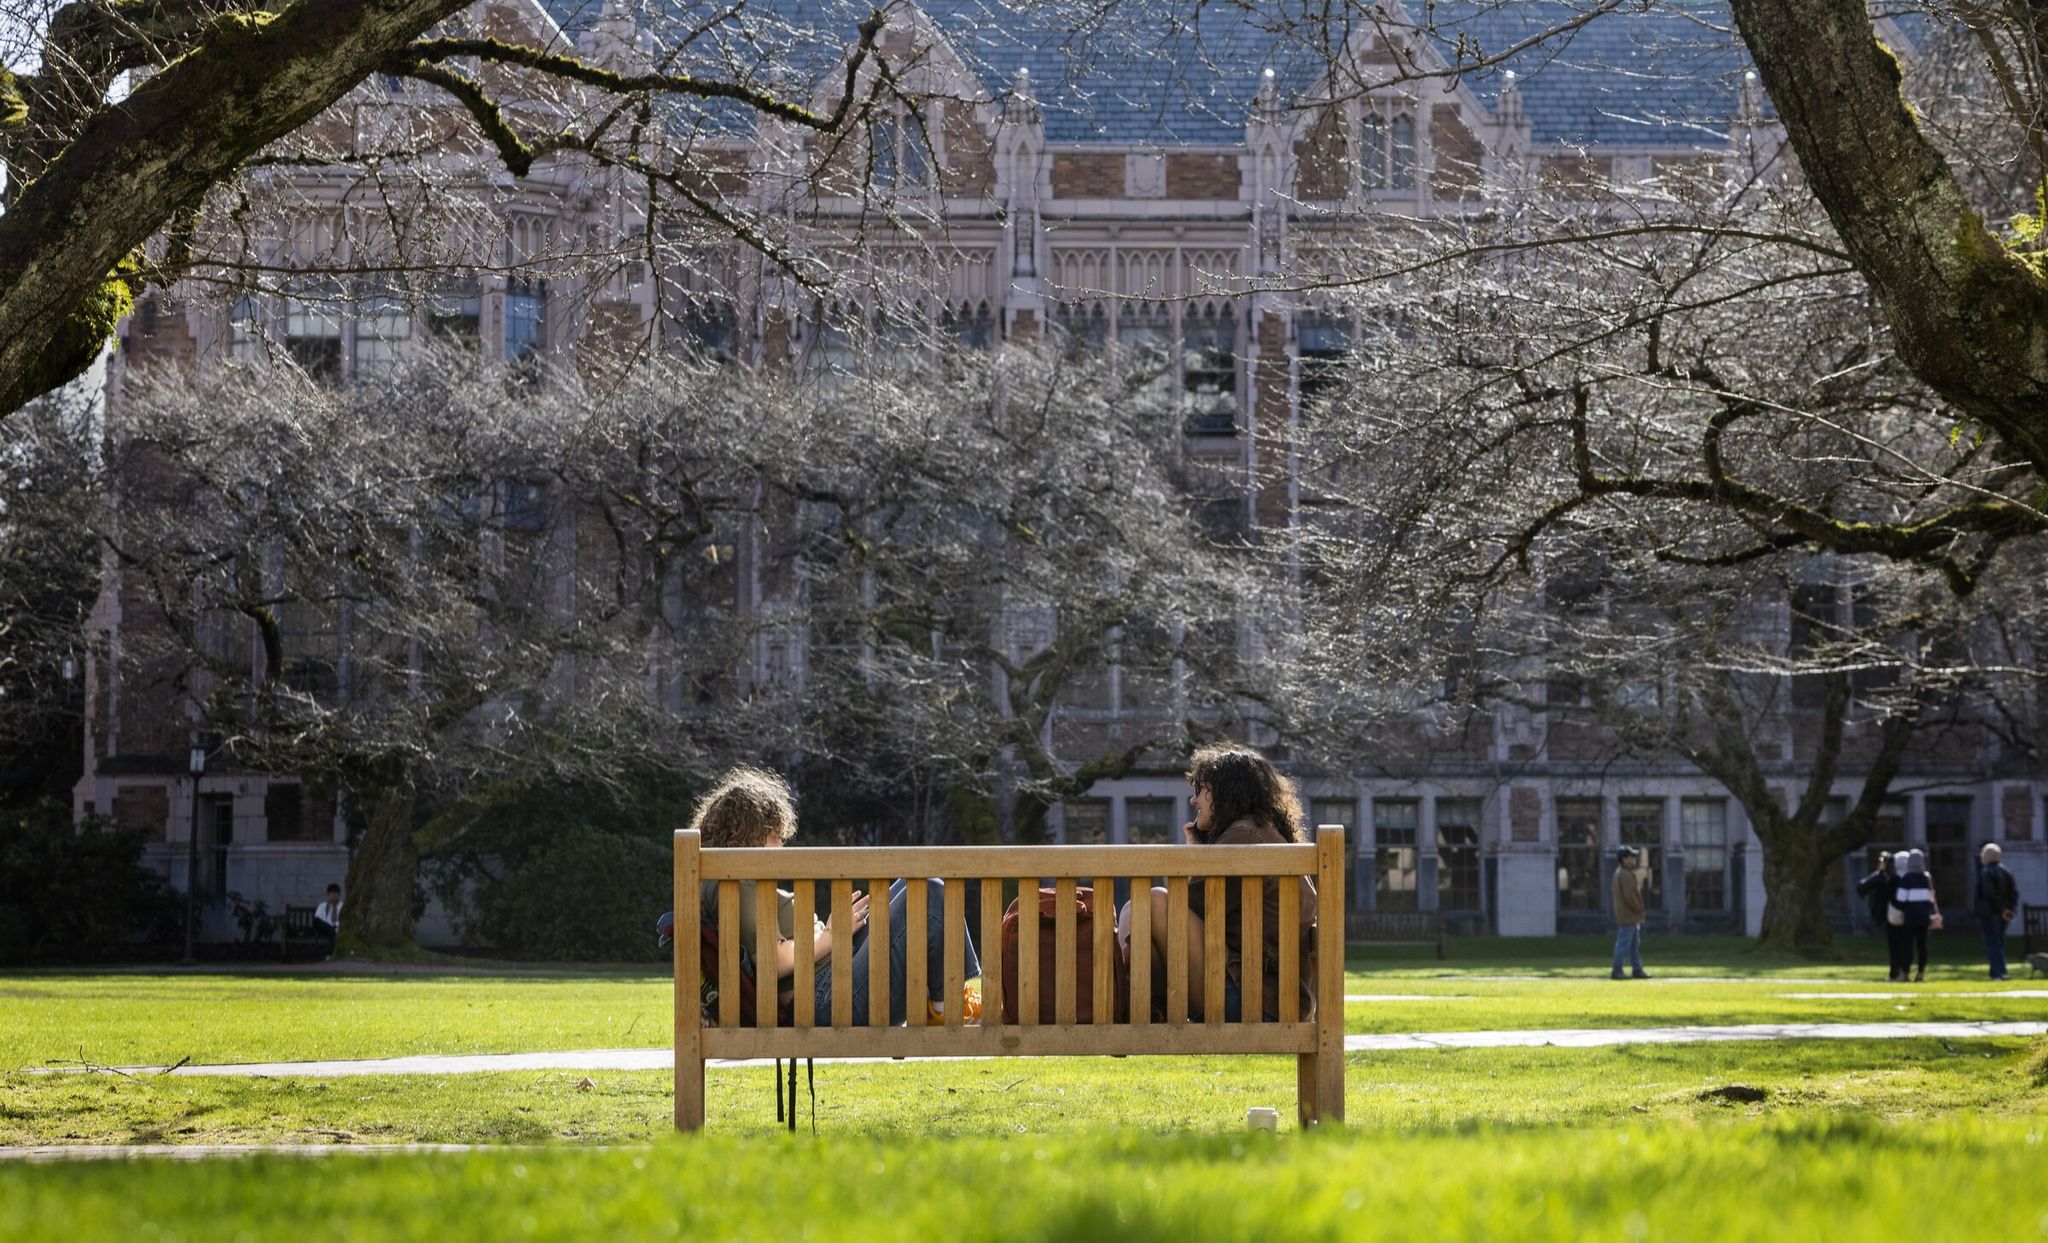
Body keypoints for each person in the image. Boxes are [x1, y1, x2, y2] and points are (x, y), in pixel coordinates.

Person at [689, 765, 978, 1025]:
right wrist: (831, 935)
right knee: (929, 892)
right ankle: (943, 1008)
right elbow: (771, 962)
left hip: (831, 978)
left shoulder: (729, 879)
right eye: (775, 836)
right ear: (749, 834)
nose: (780, 848)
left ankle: (943, 1000)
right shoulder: (739, 880)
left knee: (915, 886)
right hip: (823, 997)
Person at [1116, 743, 1318, 1022]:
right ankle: (1135, 1002)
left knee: (1151, 902)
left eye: (1200, 790)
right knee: (1140, 909)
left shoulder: (1243, 839)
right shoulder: (1263, 833)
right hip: (1274, 998)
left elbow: (1186, 910)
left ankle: (1125, 1000)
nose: (1194, 801)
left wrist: (1196, 858)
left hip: (1255, 1000)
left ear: (1225, 793)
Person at [1973, 843, 2021, 982]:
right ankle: (1995, 973)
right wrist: (2010, 909)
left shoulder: (1986, 872)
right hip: (2003, 913)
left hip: (1989, 913)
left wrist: (2001, 909)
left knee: (1993, 943)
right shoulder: (2006, 871)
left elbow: (1990, 893)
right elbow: (2014, 892)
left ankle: (2001, 972)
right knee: (1999, 942)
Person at [1856, 852, 1905, 981]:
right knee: (1902, 945)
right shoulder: (1896, 878)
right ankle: (1900, 972)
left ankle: (1897, 972)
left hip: (1893, 915)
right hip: (1900, 915)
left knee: (1896, 945)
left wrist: (1880, 871)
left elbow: (1862, 887)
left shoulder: (1886, 878)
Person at [1892, 848, 1938, 982]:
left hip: (1910, 918)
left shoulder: (1906, 878)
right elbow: (1931, 899)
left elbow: (1900, 900)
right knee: (1922, 946)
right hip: (1924, 918)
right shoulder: (1926, 878)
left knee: (1907, 946)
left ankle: (1905, 972)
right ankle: (1921, 973)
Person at [1610, 845, 1650, 980]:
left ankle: (1637, 969)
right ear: (1624, 859)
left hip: (1628, 915)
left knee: (1633, 946)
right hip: (1629, 915)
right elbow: (1629, 896)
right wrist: (1640, 908)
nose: (1633, 859)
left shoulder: (1620, 872)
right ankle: (1617, 970)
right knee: (1623, 944)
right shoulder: (1625, 874)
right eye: (1631, 856)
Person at [312, 883, 342, 957]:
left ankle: (330, 954)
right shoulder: (323, 906)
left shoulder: (342, 906)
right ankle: (330, 953)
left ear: (339, 895)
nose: (334, 896)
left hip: (337, 929)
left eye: (336, 894)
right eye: (332, 894)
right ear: (328, 895)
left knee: (333, 932)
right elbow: (318, 919)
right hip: (325, 929)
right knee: (316, 921)